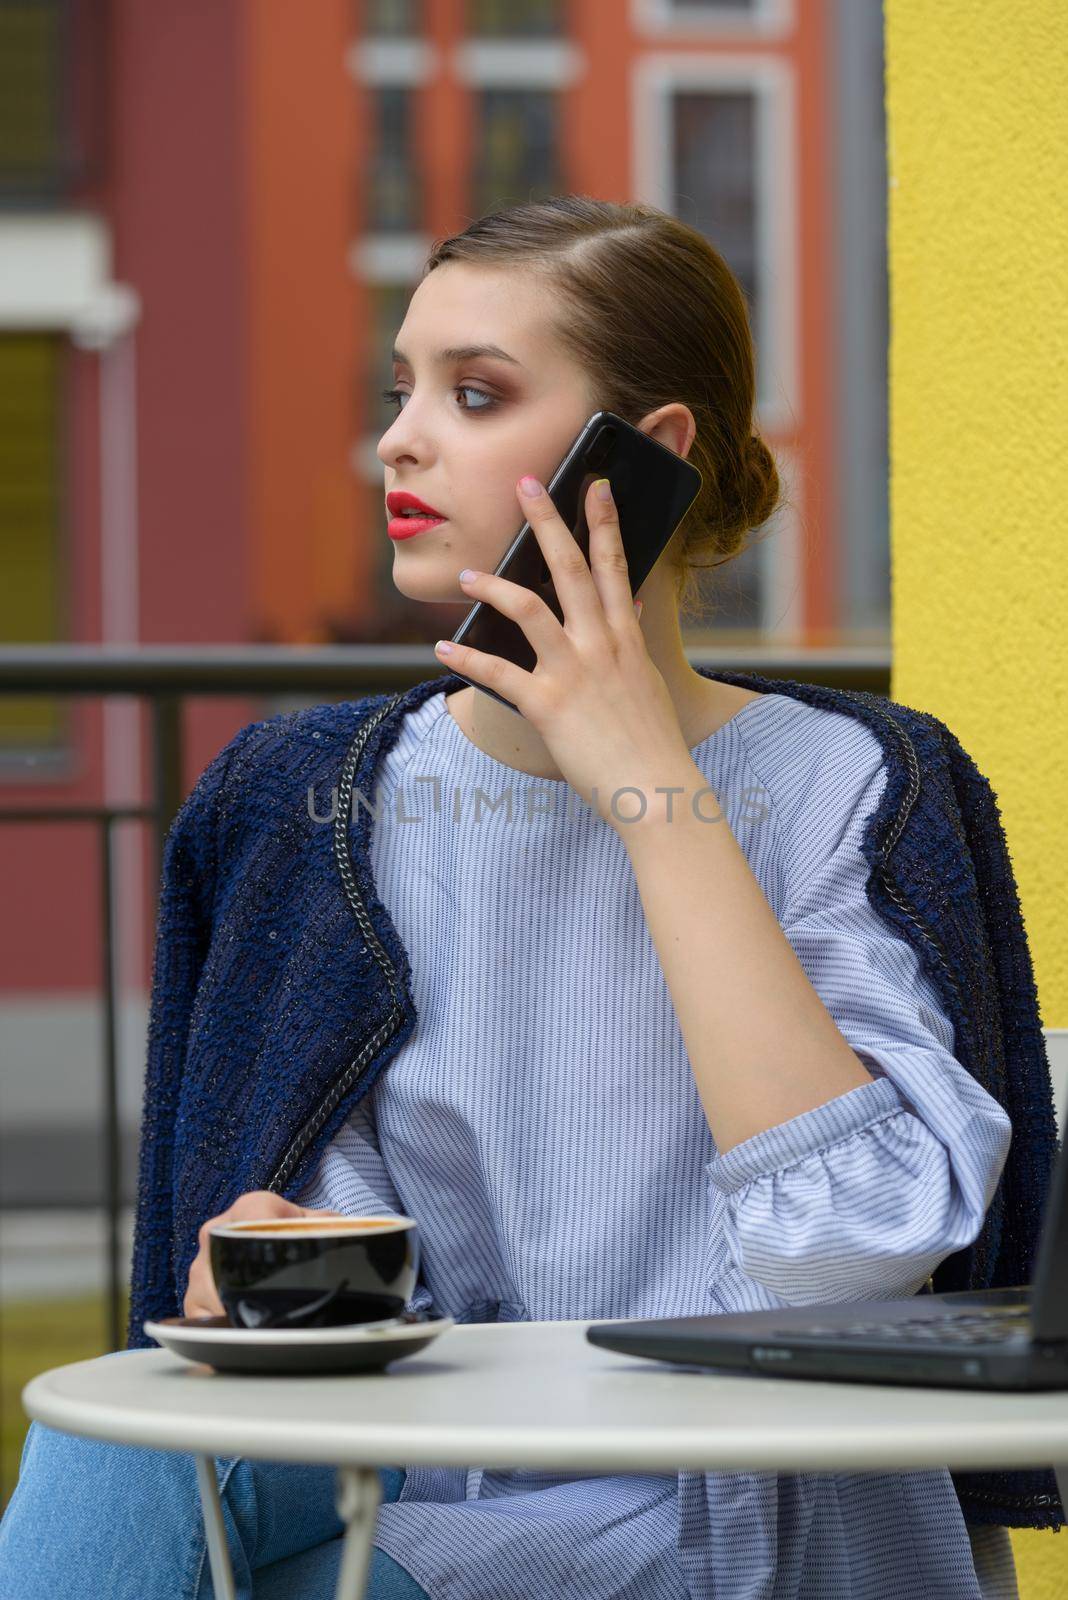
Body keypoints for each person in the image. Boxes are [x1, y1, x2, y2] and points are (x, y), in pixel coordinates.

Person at [0, 195, 1027, 1598]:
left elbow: (844, 1250)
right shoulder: (314, 800)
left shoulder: (863, 784)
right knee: (119, 1445)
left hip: (742, 1525)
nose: (400, 440)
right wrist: (278, 1271)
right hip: (435, 1484)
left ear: (644, 461)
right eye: (401, 389)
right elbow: (351, 1302)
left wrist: (650, 792)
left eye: (475, 395)